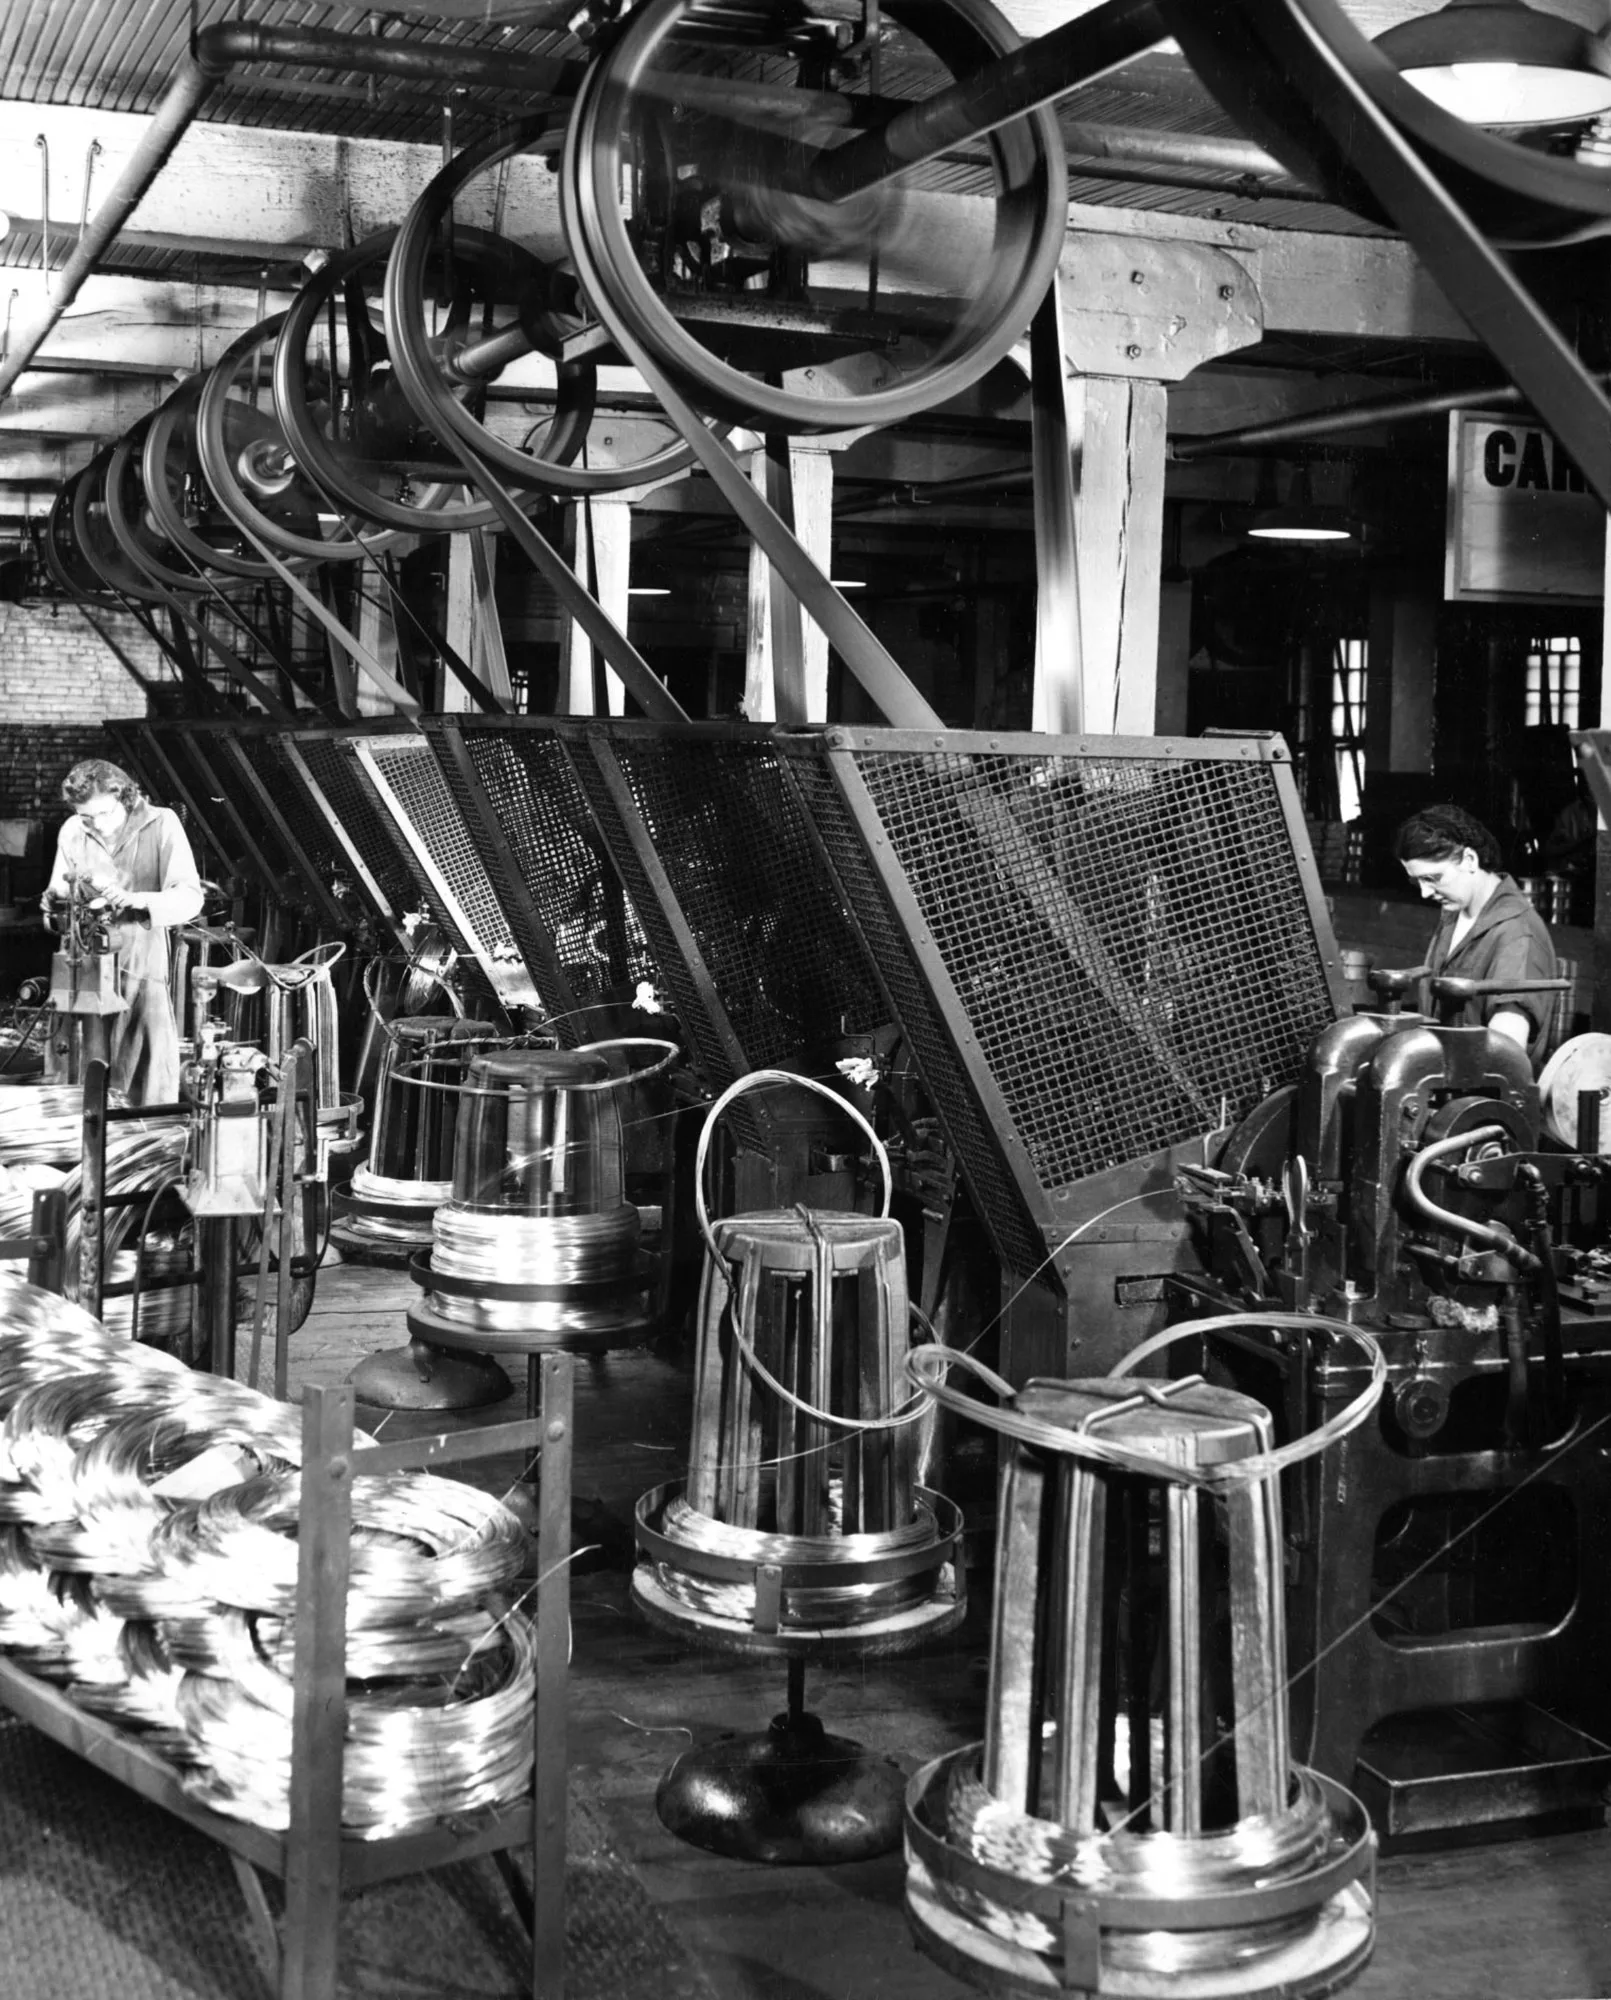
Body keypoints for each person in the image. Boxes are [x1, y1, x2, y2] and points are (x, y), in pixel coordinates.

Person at [43, 758, 203, 1105]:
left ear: (125, 797)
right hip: (82, 971)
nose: (96, 825)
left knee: (145, 1077)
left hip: (140, 966)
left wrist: (136, 899)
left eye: (105, 815)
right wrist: (54, 906)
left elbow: (190, 898)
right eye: (87, 817)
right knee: (81, 1073)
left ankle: (147, 1152)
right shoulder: (73, 830)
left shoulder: (161, 824)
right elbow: (55, 898)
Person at [1394, 802, 1559, 1071]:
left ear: (1470, 860)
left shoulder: (1518, 934)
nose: (1425, 893)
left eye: (1433, 878)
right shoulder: (1454, 914)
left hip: (1481, 1101)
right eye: (1417, 882)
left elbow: (1504, 1054)